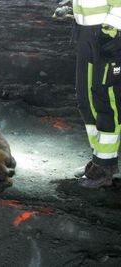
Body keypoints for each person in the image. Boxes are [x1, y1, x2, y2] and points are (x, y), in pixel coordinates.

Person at [72, 0, 121, 188]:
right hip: (87, 30)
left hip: (109, 32)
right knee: (86, 99)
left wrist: (112, 28)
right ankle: (97, 159)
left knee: (106, 100)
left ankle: (105, 167)